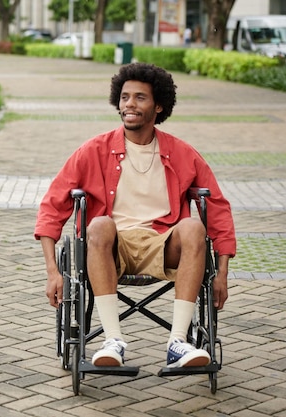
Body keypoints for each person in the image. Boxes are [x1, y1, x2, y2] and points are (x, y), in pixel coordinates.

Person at [34, 63, 236, 369]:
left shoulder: (183, 153)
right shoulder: (93, 151)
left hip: (163, 245)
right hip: (112, 249)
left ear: (158, 106)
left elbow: (218, 211)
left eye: (140, 98)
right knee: (99, 224)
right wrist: (52, 271)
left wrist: (221, 273)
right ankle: (112, 341)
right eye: (125, 97)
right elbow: (51, 208)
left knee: (194, 226)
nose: (129, 104)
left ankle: (178, 343)